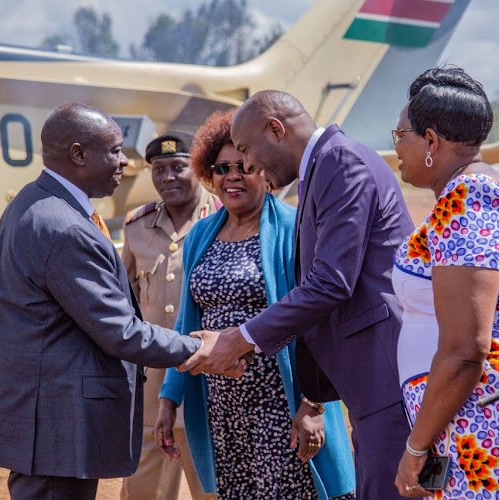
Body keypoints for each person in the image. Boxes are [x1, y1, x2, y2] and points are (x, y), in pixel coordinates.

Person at [178, 91, 415, 499]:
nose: (249, 166)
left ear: (276, 129)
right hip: (366, 382)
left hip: (381, 376)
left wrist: (240, 340)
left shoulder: (339, 163)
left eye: (249, 152)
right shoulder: (322, 170)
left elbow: (330, 282)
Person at [0, 103, 201, 500]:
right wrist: (204, 347)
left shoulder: (34, 206)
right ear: (79, 154)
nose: (124, 161)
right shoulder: (64, 227)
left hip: (48, 423)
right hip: (58, 428)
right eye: (115, 150)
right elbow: (120, 332)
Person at [157, 109, 356, 500]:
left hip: (283, 407)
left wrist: (313, 405)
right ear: (208, 175)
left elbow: (319, 319)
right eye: (221, 167)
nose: (232, 175)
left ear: (264, 171)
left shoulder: (294, 228)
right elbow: (186, 324)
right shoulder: (201, 234)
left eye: (244, 165)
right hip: (225, 409)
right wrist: (169, 397)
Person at [389, 66, 499, 498]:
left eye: (401, 135)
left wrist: (415, 447)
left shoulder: (470, 198)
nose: (395, 146)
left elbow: (463, 351)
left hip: (481, 420)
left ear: (432, 142)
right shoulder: (476, 193)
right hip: (468, 416)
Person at [121, 131, 218, 500]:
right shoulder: (137, 226)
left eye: (178, 167)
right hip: (152, 377)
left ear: (197, 168)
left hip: (208, 373)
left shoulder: (224, 216)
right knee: (146, 481)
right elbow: (124, 299)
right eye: (158, 170)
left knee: (212, 478)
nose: (167, 178)